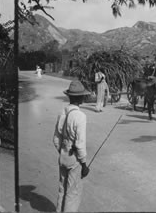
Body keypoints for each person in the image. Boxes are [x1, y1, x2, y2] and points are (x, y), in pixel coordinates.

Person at [53, 80, 91, 212]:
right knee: (72, 193)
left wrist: (62, 151)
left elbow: (56, 139)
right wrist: (84, 164)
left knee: (62, 189)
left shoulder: (62, 113)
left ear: (69, 96)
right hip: (74, 159)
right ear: (81, 98)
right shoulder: (80, 116)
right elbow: (80, 144)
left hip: (63, 156)